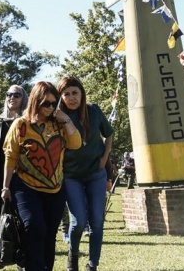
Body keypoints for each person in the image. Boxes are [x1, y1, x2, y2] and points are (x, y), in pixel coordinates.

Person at [1, 81, 82, 271]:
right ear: (36, 101)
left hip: (55, 187)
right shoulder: (21, 125)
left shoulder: (59, 124)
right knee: (33, 227)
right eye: (46, 103)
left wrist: (65, 118)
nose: (51, 107)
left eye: (54, 104)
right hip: (25, 186)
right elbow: (10, 157)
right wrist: (5, 187)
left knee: (49, 233)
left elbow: (76, 144)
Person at [57, 76, 114, 271]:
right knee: (79, 221)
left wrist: (105, 159)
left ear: (82, 93)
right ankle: (73, 258)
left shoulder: (94, 111)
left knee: (97, 221)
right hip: (71, 176)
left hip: (96, 174)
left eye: (75, 93)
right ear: (61, 97)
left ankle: (92, 264)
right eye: (66, 94)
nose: (71, 98)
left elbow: (109, 134)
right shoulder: (57, 117)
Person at [0, 84, 28, 227]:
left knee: (23, 214)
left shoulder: (28, 123)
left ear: (23, 98)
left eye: (16, 95)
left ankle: (23, 248)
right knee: (3, 214)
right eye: (9, 94)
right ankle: (3, 247)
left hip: (24, 176)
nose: (12, 98)